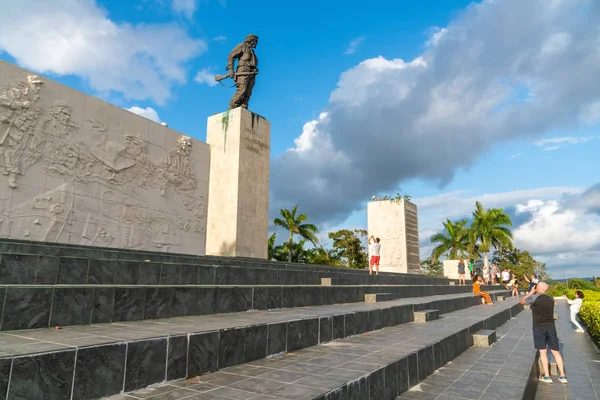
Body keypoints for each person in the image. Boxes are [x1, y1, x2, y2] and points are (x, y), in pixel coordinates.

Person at [521, 282, 568, 384]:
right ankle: (562, 375)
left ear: (537, 287)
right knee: (556, 351)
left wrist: (531, 292)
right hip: (551, 327)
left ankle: (547, 376)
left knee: (543, 351)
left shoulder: (534, 298)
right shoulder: (551, 298)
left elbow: (522, 301)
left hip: (539, 327)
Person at [226, 34, 259, 109]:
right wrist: (231, 69)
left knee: (248, 92)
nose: (255, 43)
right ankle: (232, 106)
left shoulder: (253, 52)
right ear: (250, 40)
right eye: (255, 41)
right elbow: (231, 56)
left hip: (252, 74)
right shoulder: (242, 46)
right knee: (242, 90)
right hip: (243, 72)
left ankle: (244, 105)